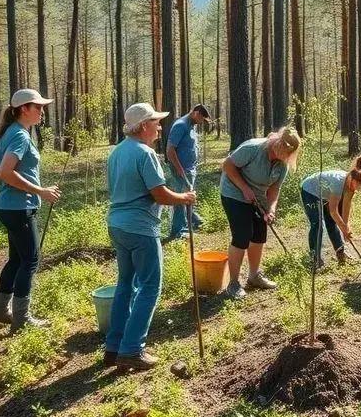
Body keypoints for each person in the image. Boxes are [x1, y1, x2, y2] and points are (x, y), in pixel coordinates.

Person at [104, 103, 196, 371]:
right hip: (140, 228)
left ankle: (114, 346)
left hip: (118, 225)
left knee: (125, 285)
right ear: (143, 125)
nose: (159, 127)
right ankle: (132, 349)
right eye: (156, 122)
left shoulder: (117, 152)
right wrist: (185, 198)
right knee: (150, 286)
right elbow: (160, 194)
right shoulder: (145, 154)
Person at [0, 89, 61, 333]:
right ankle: (21, 319)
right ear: (23, 109)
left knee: (17, 259)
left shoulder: (10, 132)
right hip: (19, 208)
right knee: (31, 260)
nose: (42, 111)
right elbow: (3, 171)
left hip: (8, 206)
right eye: (37, 107)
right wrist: (40, 191)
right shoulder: (19, 136)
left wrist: (11, 183)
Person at [220, 126, 301, 299]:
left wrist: (271, 209)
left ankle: (254, 276)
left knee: (259, 234)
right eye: (285, 151)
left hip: (257, 197)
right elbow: (227, 165)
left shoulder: (282, 164)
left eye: (289, 154)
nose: (287, 156)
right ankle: (233, 284)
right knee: (242, 235)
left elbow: (274, 190)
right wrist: (244, 188)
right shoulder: (253, 148)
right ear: (279, 144)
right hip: (233, 192)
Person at [300, 155, 361, 268]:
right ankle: (314, 259)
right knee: (317, 225)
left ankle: (340, 253)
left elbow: (346, 206)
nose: (358, 189)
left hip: (325, 194)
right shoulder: (338, 183)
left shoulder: (351, 186)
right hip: (310, 191)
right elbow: (333, 211)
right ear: (352, 180)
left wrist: (345, 227)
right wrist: (343, 227)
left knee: (332, 223)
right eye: (358, 186)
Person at [165, 104, 211, 243]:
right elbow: (170, 150)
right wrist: (179, 169)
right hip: (182, 169)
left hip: (190, 169)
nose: (201, 122)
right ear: (195, 113)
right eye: (201, 118)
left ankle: (194, 221)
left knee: (188, 196)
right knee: (182, 198)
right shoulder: (181, 125)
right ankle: (178, 231)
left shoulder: (191, 125)